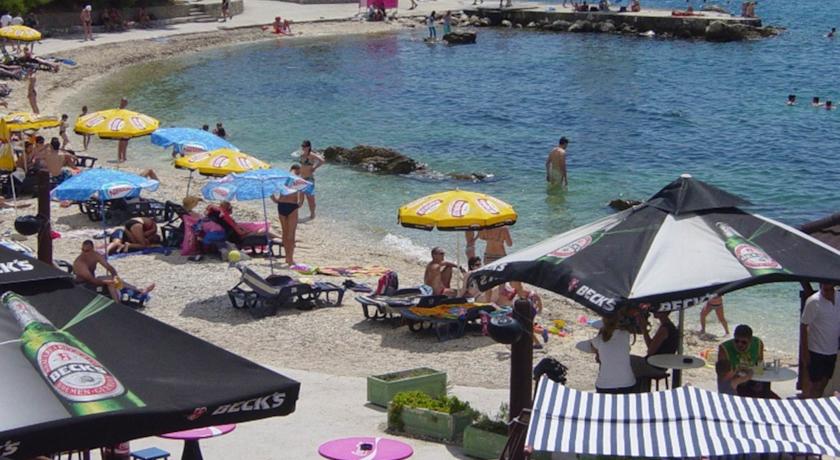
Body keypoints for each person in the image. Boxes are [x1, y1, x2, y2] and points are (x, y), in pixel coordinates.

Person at [73, 240, 155, 304]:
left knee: (113, 278)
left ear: (92, 249)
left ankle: (139, 290)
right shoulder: (80, 263)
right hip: (83, 283)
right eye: (83, 250)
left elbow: (109, 267)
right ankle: (117, 303)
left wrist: (115, 276)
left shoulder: (95, 255)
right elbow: (93, 280)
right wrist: (110, 281)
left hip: (93, 279)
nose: (84, 253)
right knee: (111, 283)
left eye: (87, 251)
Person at [716, 324, 777, 398]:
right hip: (736, 383)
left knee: (765, 385)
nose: (739, 344)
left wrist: (756, 379)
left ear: (750, 340)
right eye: (736, 341)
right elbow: (722, 374)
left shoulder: (758, 344)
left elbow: (759, 366)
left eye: (744, 342)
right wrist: (740, 372)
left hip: (752, 381)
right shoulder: (724, 349)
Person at [801, 283, 840, 398]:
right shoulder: (813, 301)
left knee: (825, 382)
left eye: (830, 289)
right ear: (820, 287)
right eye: (825, 290)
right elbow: (804, 326)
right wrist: (805, 352)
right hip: (816, 349)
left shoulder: (839, 297)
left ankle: (816, 400)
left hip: (832, 349)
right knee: (815, 384)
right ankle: (810, 403)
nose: (828, 293)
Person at [590, 314, 636, 394]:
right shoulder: (625, 334)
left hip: (604, 385)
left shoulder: (599, 339)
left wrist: (601, 332)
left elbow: (593, 348)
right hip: (627, 383)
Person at [271, 164, 303, 266]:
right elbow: (302, 193)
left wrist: (275, 199)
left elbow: (270, 187)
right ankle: (290, 259)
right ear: (298, 170)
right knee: (291, 234)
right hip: (292, 206)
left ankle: (287, 257)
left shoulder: (282, 178)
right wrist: (300, 203)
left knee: (285, 232)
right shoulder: (297, 179)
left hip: (281, 205)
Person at [298, 140, 324, 221]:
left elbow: (322, 160)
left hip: (309, 179)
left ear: (309, 147)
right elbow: (302, 166)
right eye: (302, 146)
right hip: (301, 178)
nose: (303, 148)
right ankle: (294, 215)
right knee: (300, 200)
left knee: (310, 199)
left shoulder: (312, 155)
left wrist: (314, 167)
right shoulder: (302, 155)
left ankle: (312, 214)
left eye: (304, 146)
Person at [117, 97, 129, 162]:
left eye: (126, 102)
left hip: (124, 128)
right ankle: (122, 157)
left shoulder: (122, 110)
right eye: (125, 102)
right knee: (123, 142)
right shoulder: (119, 110)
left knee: (123, 142)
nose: (126, 103)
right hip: (121, 128)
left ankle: (121, 157)